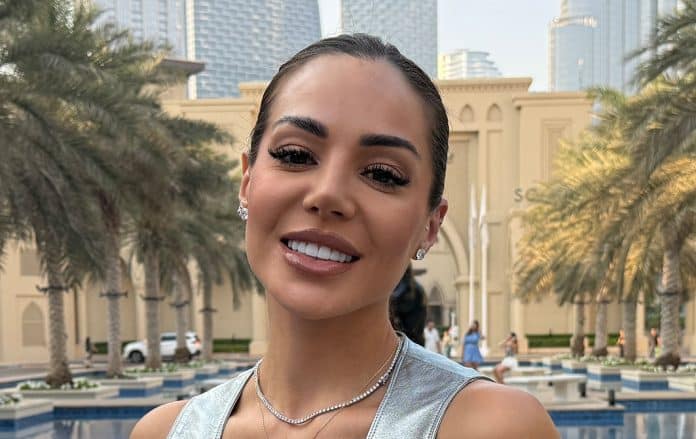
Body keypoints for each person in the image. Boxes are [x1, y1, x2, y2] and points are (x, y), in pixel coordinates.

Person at [130, 34, 558, 439]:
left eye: (382, 174)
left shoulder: (493, 426)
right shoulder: (166, 431)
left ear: (430, 225)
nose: (327, 194)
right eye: (295, 155)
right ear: (247, 182)